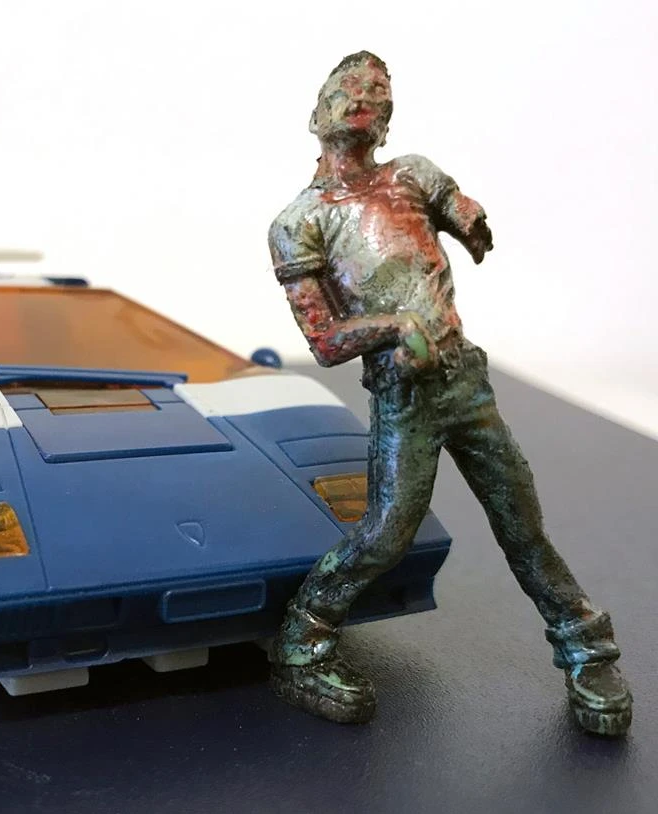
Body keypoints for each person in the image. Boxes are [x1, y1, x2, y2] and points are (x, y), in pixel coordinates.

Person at [267, 51, 632, 736]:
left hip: (464, 380)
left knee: (521, 521)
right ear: (316, 114)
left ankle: (587, 649)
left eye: (379, 90)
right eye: (347, 87)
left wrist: (469, 218)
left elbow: (461, 211)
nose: (364, 96)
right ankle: (303, 641)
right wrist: (397, 326)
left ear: (389, 117)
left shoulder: (414, 176)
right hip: (403, 394)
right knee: (387, 535)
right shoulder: (299, 222)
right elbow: (325, 340)